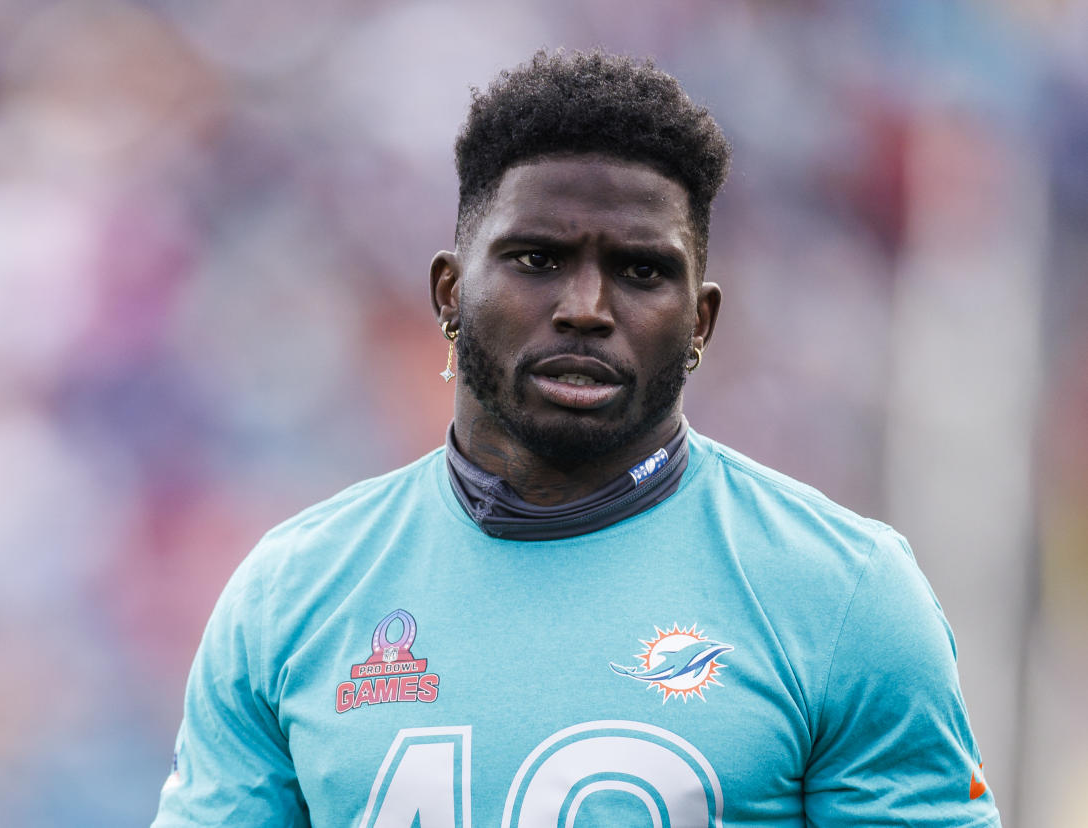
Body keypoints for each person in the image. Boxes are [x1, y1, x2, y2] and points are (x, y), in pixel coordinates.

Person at [152, 49, 1001, 827]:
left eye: (642, 270)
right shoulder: (293, 593)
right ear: (450, 292)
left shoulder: (844, 594)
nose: (586, 307)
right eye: (535, 259)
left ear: (700, 318)